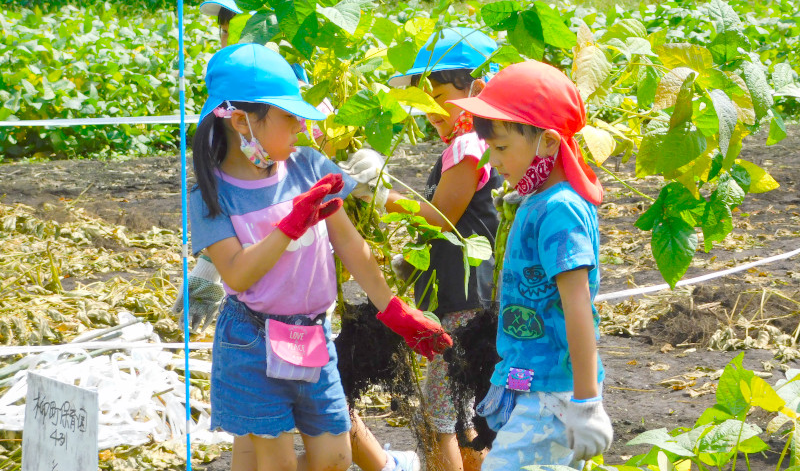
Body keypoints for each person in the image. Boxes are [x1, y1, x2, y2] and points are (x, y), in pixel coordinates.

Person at [189, 42, 452, 471]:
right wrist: (289, 227)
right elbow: (236, 275)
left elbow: (349, 243)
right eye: (288, 116)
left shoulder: (308, 166)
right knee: (274, 464)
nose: (301, 125)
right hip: (252, 339)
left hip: (311, 334)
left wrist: (393, 309)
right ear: (241, 122)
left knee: (335, 458)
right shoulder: (211, 194)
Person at [340, 27, 502, 471]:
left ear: (477, 89)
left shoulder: (468, 146)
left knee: (439, 419)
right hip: (460, 296)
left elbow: (439, 216)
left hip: (463, 302)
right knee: (461, 412)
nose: (431, 110)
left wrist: (379, 194)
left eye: (440, 96)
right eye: (424, 100)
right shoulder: (468, 145)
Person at [447, 60, 613, 468]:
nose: (493, 159)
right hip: (533, 385)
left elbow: (578, 305)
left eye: (502, 148)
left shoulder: (560, 209)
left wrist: (586, 401)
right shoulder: (538, 200)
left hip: (554, 394)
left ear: (549, 143)